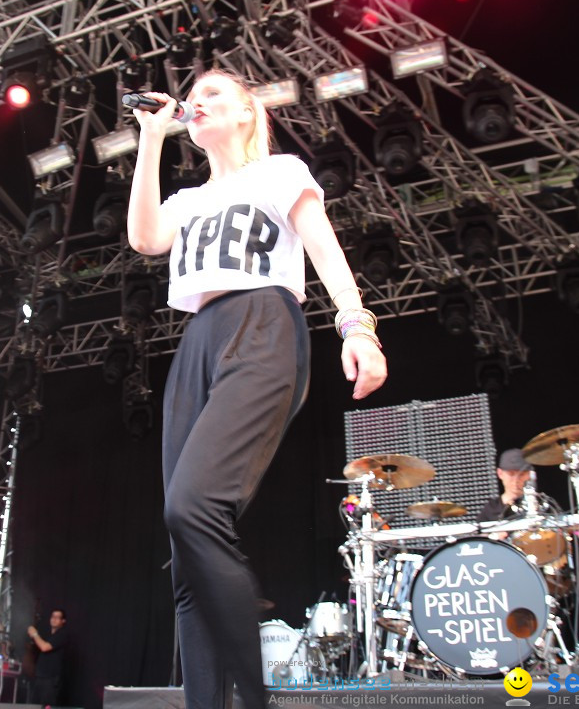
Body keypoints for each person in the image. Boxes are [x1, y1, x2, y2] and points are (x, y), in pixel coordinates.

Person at [127, 71, 387, 709]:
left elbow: (324, 249)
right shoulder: (188, 198)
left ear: (248, 113)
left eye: (214, 93)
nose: (199, 101)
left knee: (191, 507)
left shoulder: (280, 171)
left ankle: (253, 699)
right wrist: (152, 136)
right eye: (196, 94)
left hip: (263, 323)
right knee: (185, 550)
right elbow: (144, 239)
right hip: (197, 343)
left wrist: (358, 328)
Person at [27, 608, 69, 707]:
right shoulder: (48, 635)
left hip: (50, 679)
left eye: (57, 617)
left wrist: (34, 634)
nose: (54, 619)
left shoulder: (62, 634)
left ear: (63, 621)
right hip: (40, 677)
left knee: (46, 706)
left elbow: (45, 647)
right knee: (34, 706)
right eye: (53, 617)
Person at [477, 448, 533, 521]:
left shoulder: (539, 505)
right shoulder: (490, 509)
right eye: (511, 474)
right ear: (500, 473)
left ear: (529, 475)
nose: (516, 480)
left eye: (521, 474)